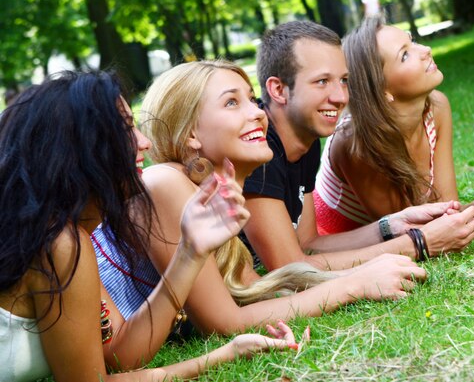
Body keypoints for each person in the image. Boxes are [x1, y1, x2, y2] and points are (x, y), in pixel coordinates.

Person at [0, 71, 301, 382]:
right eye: (127, 130)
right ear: (80, 146)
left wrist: (190, 254)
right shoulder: (58, 242)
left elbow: (120, 353)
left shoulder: (68, 237)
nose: (144, 142)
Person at [94, 59, 427, 336]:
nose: (257, 113)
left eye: (252, 99)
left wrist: (368, 266)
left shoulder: (219, 198)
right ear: (191, 134)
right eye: (231, 102)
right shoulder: (166, 183)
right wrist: (355, 285)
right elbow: (224, 322)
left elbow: (254, 292)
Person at [241, 20, 474, 273]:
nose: (341, 97)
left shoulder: (303, 140)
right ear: (278, 89)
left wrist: (388, 226)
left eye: (343, 80)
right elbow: (290, 267)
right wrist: (418, 244)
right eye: (322, 81)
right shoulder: (256, 145)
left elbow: (309, 244)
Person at [314, 16, 474, 235]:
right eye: (405, 55)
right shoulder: (357, 145)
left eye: (413, 41)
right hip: (336, 237)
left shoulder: (437, 106)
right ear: (382, 89)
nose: (425, 50)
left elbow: (447, 208)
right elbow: (409, 233)